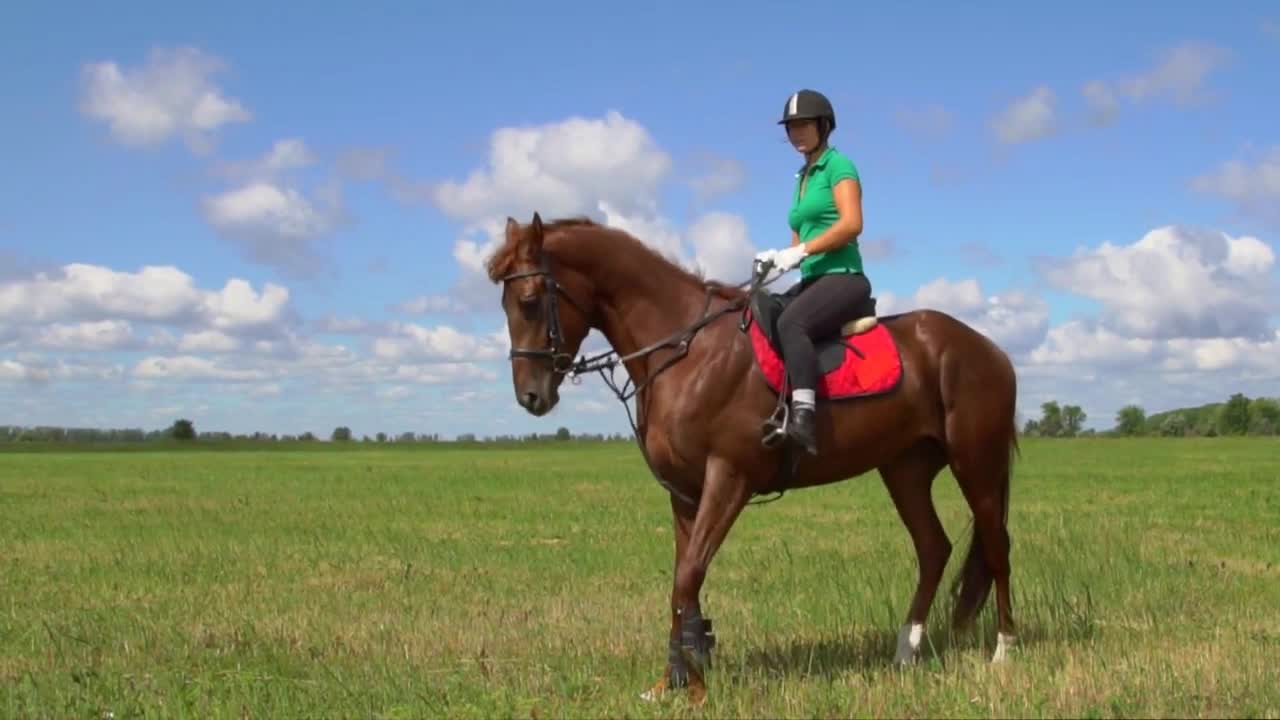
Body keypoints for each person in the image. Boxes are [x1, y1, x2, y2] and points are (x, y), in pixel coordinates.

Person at [754, 88, 871, 455]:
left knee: (792, 323)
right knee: (764, 311)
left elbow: (852, 224)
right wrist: (779, 258)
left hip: (845, 277)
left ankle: (804, 418)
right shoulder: (800, 179)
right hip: (813, 279)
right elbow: (798, 238)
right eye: (791, 127)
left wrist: (802, 250)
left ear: (823, 126)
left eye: (804, 125)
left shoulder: (839, 166)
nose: (797, 133)